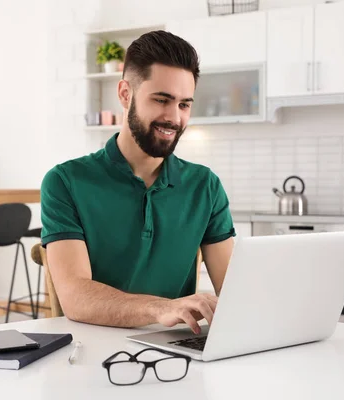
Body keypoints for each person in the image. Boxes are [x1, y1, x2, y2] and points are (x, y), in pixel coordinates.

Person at [40, 30, 235, 334]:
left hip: (175, 355)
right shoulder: (65, 182)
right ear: (125, 94)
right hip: (91, 353)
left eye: (184, 104)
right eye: (161, 100)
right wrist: (163, 308)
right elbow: (76, 298)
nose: (174, 117)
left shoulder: (205, 186)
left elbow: (236, 290)